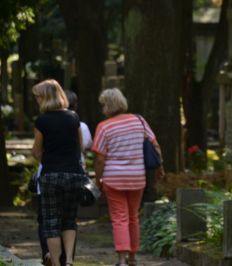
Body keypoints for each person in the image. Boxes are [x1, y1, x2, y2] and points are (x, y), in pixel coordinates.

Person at [92, 88, 163, 266]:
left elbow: (100, 159)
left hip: (113, 179)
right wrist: (160, 167)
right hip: (137, 178)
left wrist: (98, 180)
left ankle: (122, 260)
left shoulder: (104, 126)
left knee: (119, 218)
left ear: (107, 106)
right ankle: (132, 258)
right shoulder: (139, 121)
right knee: (133, 217)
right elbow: (156, 146)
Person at [32, 79, 84, 266]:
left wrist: (47, 160)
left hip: (51, 175)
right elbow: (80, 146)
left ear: (45, 97)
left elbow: (36, 151)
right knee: (70, 220)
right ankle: (69, 261)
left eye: (37, 97)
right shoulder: (73, 117)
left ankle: (55, 262)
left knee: (51, 222)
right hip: (74, 174)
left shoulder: (42, 120)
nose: (36, 100)